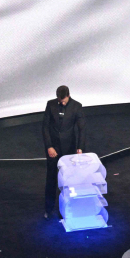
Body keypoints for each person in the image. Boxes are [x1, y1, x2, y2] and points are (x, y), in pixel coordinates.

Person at [42, 85, 85, 219]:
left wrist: (80, 148)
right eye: (60, 101)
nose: (62, 103)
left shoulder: (77, 106)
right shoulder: (50, 105)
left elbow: (82, 129)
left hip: (68, 149)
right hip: (53, 149)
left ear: (69, 95)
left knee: (68, 180)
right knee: (51, 179)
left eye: (64, 100)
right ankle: (49, 209)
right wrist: (49, 146)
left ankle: (67, 209)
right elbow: (45, 127)